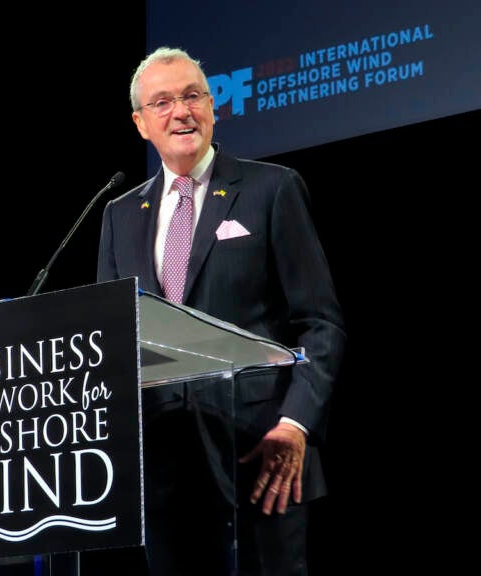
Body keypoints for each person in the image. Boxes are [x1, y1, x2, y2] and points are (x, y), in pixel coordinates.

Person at [89, 46, 347, 576]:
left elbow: (320, 324)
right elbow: (108, 339)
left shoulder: (271, 189)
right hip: (159, 467)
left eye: (193, 96)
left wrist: (294, 425)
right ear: (141, 123)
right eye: (162, 102)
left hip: (260, 456)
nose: (181, 111)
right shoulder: (118, 215)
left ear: (213, 106)